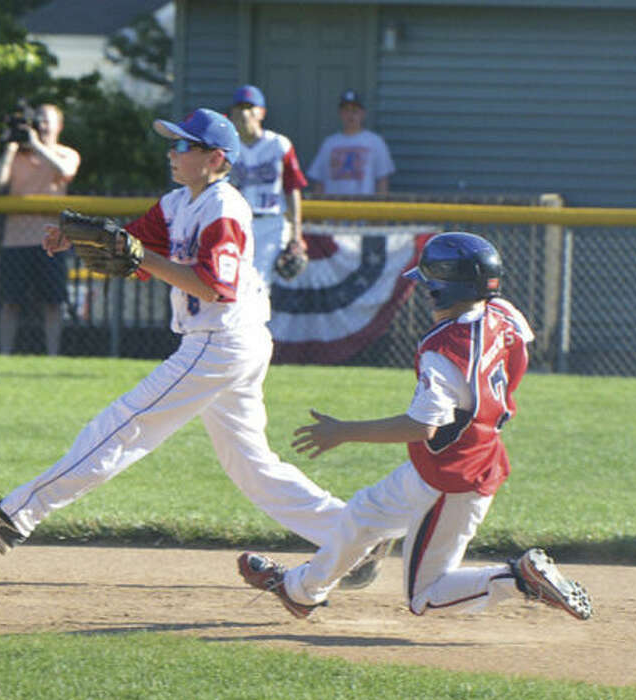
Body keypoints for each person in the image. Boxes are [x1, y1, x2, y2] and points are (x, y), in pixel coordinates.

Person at [0, 108, 346, 559]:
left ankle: (16, 515)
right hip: (225, 340)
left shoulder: (224, 208)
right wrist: (74, 239)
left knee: (123, 424)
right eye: (173, 143)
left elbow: (211, 286)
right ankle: (352, 534)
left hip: (221, 340)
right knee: (251, 467)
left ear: (215, 158)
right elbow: (129, 243)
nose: (172, 152)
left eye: (184, 145)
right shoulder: (177, 203)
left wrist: (141, 257)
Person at [237, 232, 593, 621]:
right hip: (462, 457)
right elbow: (519, 345)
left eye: (428, 286)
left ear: (442, 292)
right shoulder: (505, 313)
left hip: (452, 480)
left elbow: (421, 426)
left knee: (426, 595)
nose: (425, 294)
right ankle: (301, 592)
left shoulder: (442, 351)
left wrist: (343, 431)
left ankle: (519, 578)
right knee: (362, 515)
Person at [0, 101, 81, 356]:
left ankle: (53, 356)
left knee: (53, 303)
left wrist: (37, 146)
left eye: (46, 120)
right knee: (10, 303)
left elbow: (65, 171)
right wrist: (10, 149)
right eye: (37, 119)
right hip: (15, 240)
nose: (40, 125)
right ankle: (4, 356)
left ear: (58, 126)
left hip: (51, 240)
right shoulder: (17, 156)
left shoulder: (66, 153)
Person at [227, 84, 308, 286]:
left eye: (250, 107)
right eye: (239, 107)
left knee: (257, 283)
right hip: (236, 224)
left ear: (261, 113)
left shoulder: (279, 145)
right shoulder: (226, 149)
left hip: (271, 223)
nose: (244, 113)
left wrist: (296, 234)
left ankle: (257, 318)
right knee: (235, 282)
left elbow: (292, 188)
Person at [307, 89, 396, 197]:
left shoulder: (375, 142)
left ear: (363, 113)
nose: (350, 115)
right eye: (346, 110)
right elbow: (320, 181)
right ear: (340, 113)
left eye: (355, 111)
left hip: (364, 208)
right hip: (333, 208)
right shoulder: (329, 144)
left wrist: (381, 208)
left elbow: (382, 181)